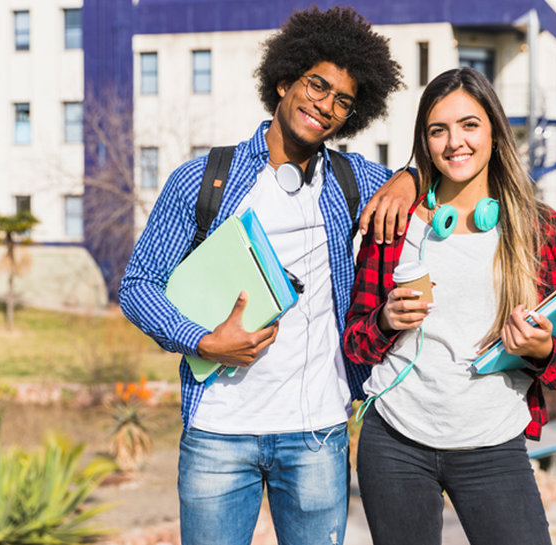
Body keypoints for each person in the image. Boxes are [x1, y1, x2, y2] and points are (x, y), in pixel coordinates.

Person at [119, 7, 413, 545]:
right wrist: (205, 341)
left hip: (317, 435)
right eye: (316, 86)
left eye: (343, 101)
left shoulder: (355, 180)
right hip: (218, 434)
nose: (325, 106)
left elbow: (435, 178)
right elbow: (138, 286)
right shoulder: (204, 180)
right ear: (284, 82)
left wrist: (410, 177)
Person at [343, 67, 556, 545]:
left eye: (469, 125)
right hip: (395, 442)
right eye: (439, 130)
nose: (455, 141)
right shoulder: (396, 225)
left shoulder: (543, 231)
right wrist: (386, 320)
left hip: (493, 443)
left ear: (494, 132)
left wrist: (541, 348)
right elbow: (355, 342)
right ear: (425, 142)